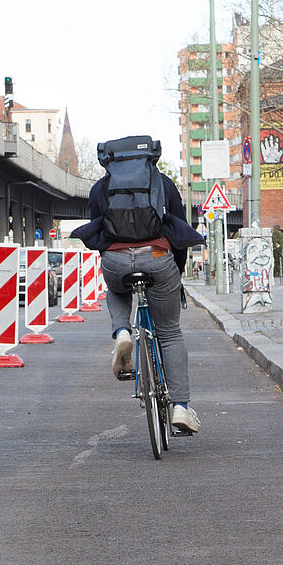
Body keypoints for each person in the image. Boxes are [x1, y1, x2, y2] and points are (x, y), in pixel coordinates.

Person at [72, 137, 206, 434]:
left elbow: (101, 233)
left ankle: (122, 332)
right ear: (151, 160)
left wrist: (118, 257)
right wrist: (177, 270)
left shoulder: (100, 188)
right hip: (157, 256)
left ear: (109, 162)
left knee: (116, 288)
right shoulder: (164, 184)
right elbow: (178, 231)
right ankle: (181, 408)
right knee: (169, 333)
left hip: (116, 260)